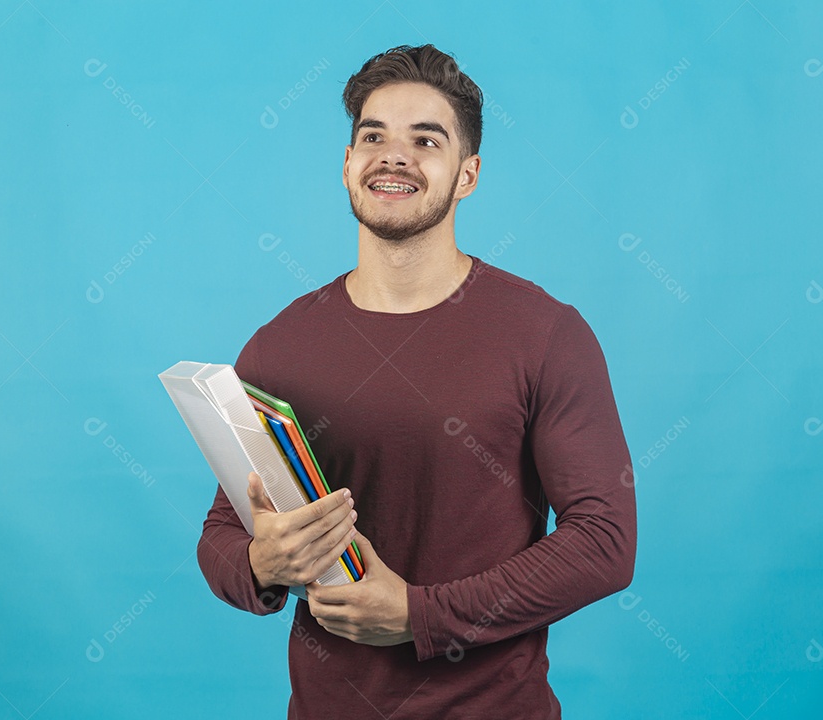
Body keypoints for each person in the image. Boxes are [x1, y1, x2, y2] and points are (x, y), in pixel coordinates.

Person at [198, 44, 636, 719]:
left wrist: (419, 614)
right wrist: (263, 563)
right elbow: (222, 535)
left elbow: (604, 541)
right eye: (374, 137)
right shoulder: (278, 344)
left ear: (468, 175)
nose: (394, 157)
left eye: (426, 141)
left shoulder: (545, 334)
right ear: (348, 162)